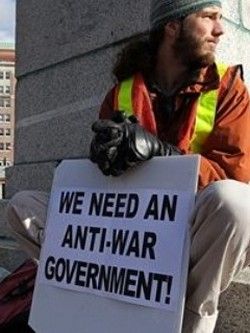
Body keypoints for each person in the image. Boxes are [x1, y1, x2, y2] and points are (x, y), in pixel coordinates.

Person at [6, 0, 250, 332]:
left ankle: (187, 322)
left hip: (192, 233)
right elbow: (102, 188)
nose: (219, 30)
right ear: (172, 26)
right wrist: (98, 162)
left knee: (235, 203)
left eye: (220, 19)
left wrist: (163, 154)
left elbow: (234, 175)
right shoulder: (121, 93)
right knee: (23, 207)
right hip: (132, 235)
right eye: (208, 18)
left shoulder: (228, 88)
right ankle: (99, 296)